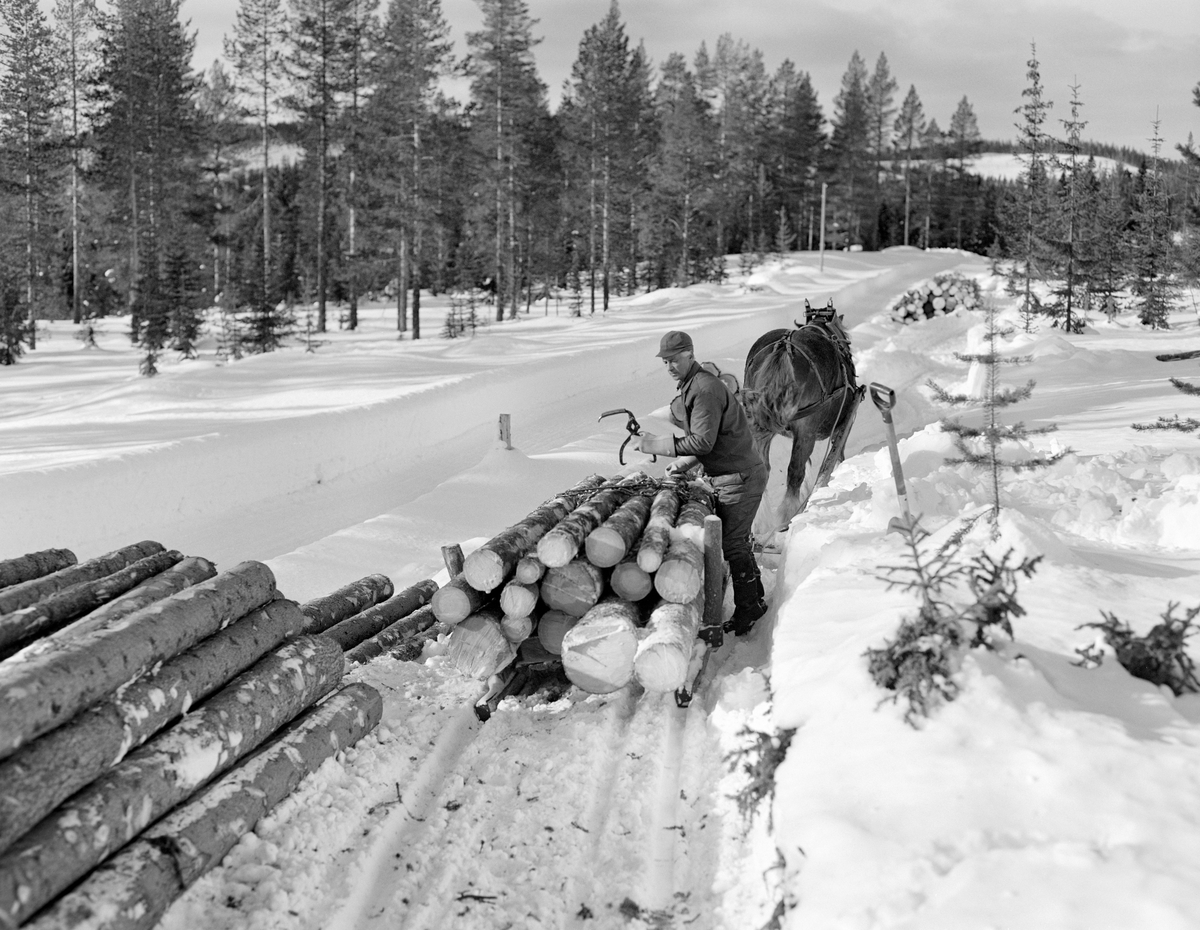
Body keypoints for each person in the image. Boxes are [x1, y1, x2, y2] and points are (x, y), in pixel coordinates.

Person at [635, 330, 769, 636]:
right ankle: (755, 601)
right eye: (665, 361)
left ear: (689, 355)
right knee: (737, 543)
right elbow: (714, 439)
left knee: (734, 545)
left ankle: (750, 609)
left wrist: (655, 444)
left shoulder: (703, 389)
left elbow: (704, 442)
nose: (669, 366)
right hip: (734, 472)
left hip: (739, 477)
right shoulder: (695, 385)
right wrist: (684, 462)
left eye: (674, 359)